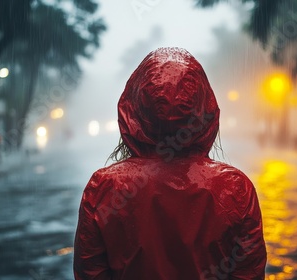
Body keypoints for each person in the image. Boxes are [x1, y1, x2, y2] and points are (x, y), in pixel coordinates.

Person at [73, 47, 266, 280]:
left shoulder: (102, 188)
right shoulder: (236, 189)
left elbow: (90, 274)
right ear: (204, 107)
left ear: (133, 106)